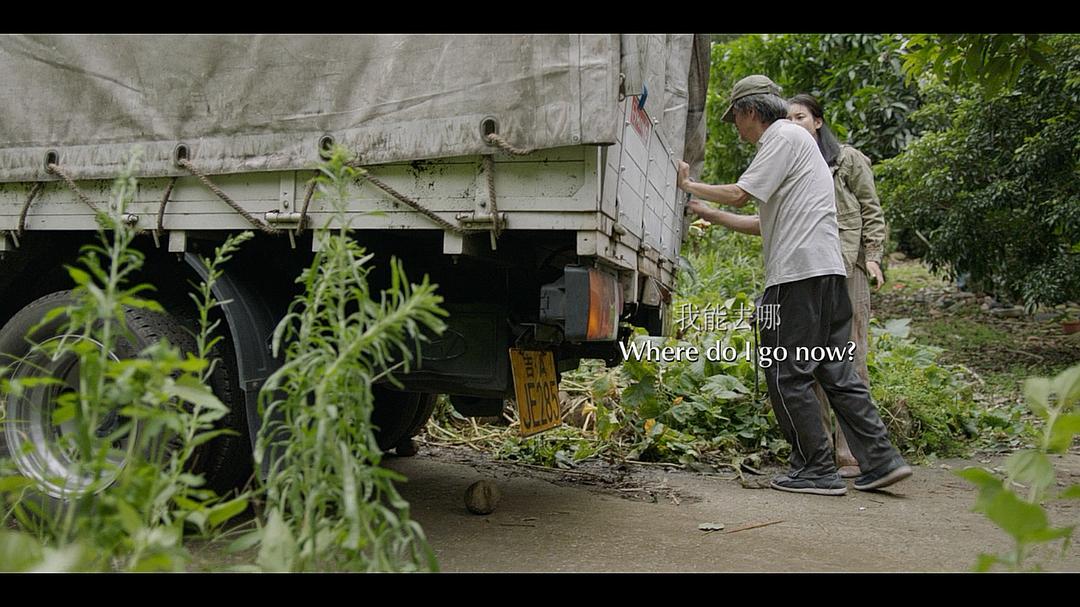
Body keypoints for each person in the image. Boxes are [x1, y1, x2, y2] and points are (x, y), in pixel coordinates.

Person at [677, 75, 910, 496]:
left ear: (750, 111)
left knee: (787, 372)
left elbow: (740, 194)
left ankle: (817, 468)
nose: (737, 128)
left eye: (735, 119)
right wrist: (705, 210)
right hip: (828, 274)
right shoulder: (800, 146)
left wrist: (688, 183)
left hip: (797, 276)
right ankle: (882, 460)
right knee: (835, 369)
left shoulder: (781, 137)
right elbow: (761, 221)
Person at [787, 93, 886, 478]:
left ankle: (854, 453)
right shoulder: (793, 165)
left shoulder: (847, 160)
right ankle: (822, 453)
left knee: (850, 358)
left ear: (818, 121)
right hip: (809, 272)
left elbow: (871, 208)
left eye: (800, 117)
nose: (794, 124)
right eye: (788, 119)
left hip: (847, 267)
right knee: (811, 362)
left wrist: (873, 256)